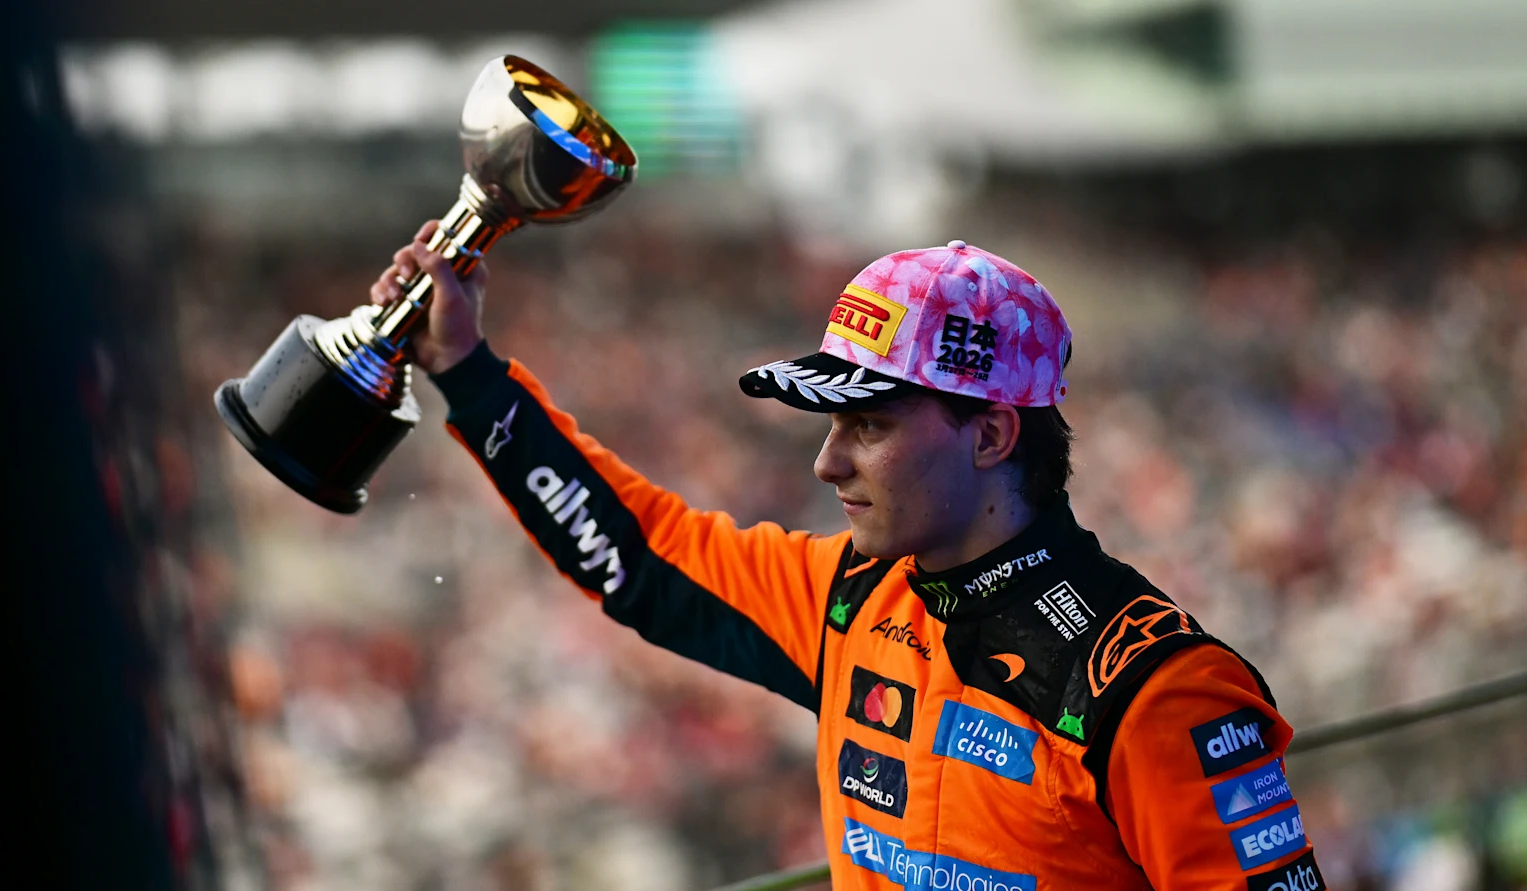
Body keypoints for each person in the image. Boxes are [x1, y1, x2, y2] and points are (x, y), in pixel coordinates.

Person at [371, 223, 1326, 891]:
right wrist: (465, 371)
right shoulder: (851, 595)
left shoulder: (1158, 689)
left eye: (867, 424)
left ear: (991, 434)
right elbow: (638, 554)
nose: (827, 459)